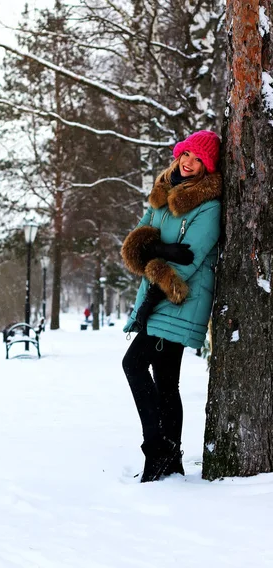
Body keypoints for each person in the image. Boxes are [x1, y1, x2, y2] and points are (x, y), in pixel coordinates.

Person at [121, 130, 222, 483]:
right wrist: (162, 251)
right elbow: (137, 242)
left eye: (198, 159)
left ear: (206, 167)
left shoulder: (209, 205)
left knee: (133, 364)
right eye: (186, 154)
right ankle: (169, 459)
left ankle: (158, 452)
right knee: (166, 381)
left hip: (180, 297)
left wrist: (155, 288)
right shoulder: (161, 195)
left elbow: (190, 260)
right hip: (156, 293)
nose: (189, 162)